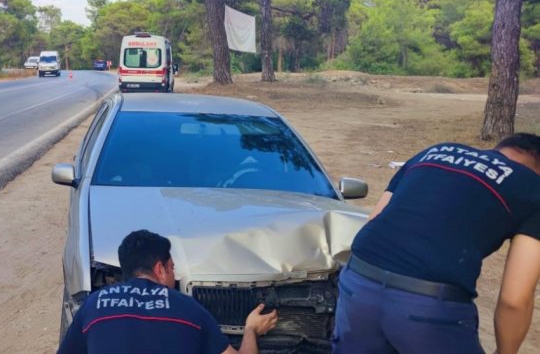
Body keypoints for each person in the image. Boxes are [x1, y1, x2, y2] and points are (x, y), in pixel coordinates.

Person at [333, 133, 540, 354]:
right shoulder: (533, 187)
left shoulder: (435, 152)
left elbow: (374, 220)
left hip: (357, 282)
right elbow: (514, 300)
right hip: (426, 305)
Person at [57, 229, 278, 354]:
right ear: (160, 269)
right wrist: (251, 330)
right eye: (172, 268)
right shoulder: (188, 308)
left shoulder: (94, 304)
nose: (174, 274)